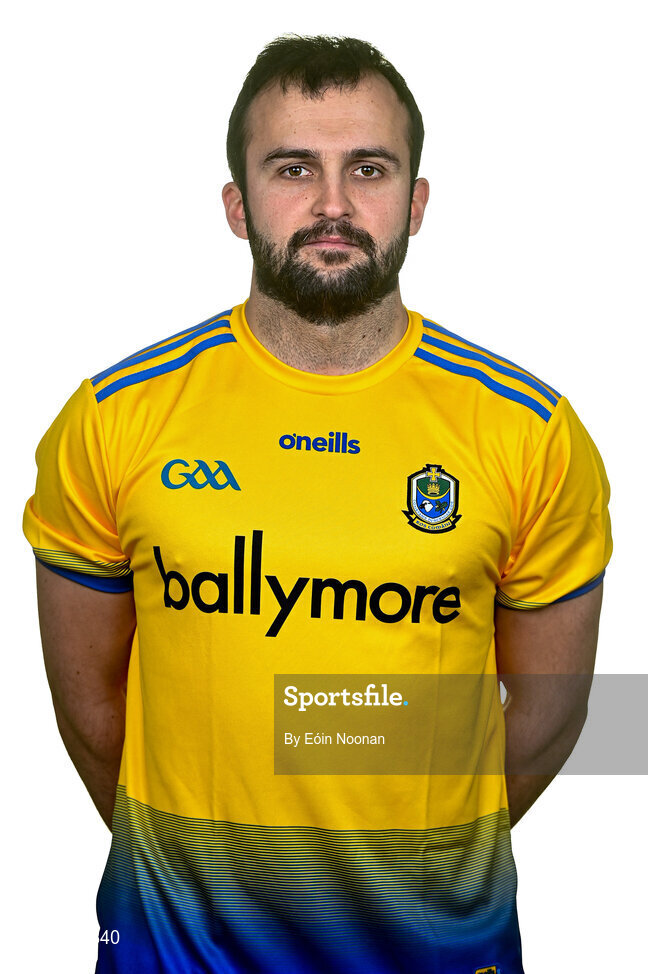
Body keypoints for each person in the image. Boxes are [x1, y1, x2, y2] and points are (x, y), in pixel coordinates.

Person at [23, 34, 612, 974]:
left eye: (368, 169)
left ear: (416, 202)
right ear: (236, 202)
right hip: (174, 952)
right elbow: (89, 707)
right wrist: (188, 865)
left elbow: (548, 713)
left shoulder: (530, 431)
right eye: (294, 167)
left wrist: (421, 854)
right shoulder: (113, 420)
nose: (333, 205)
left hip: (432, 951)